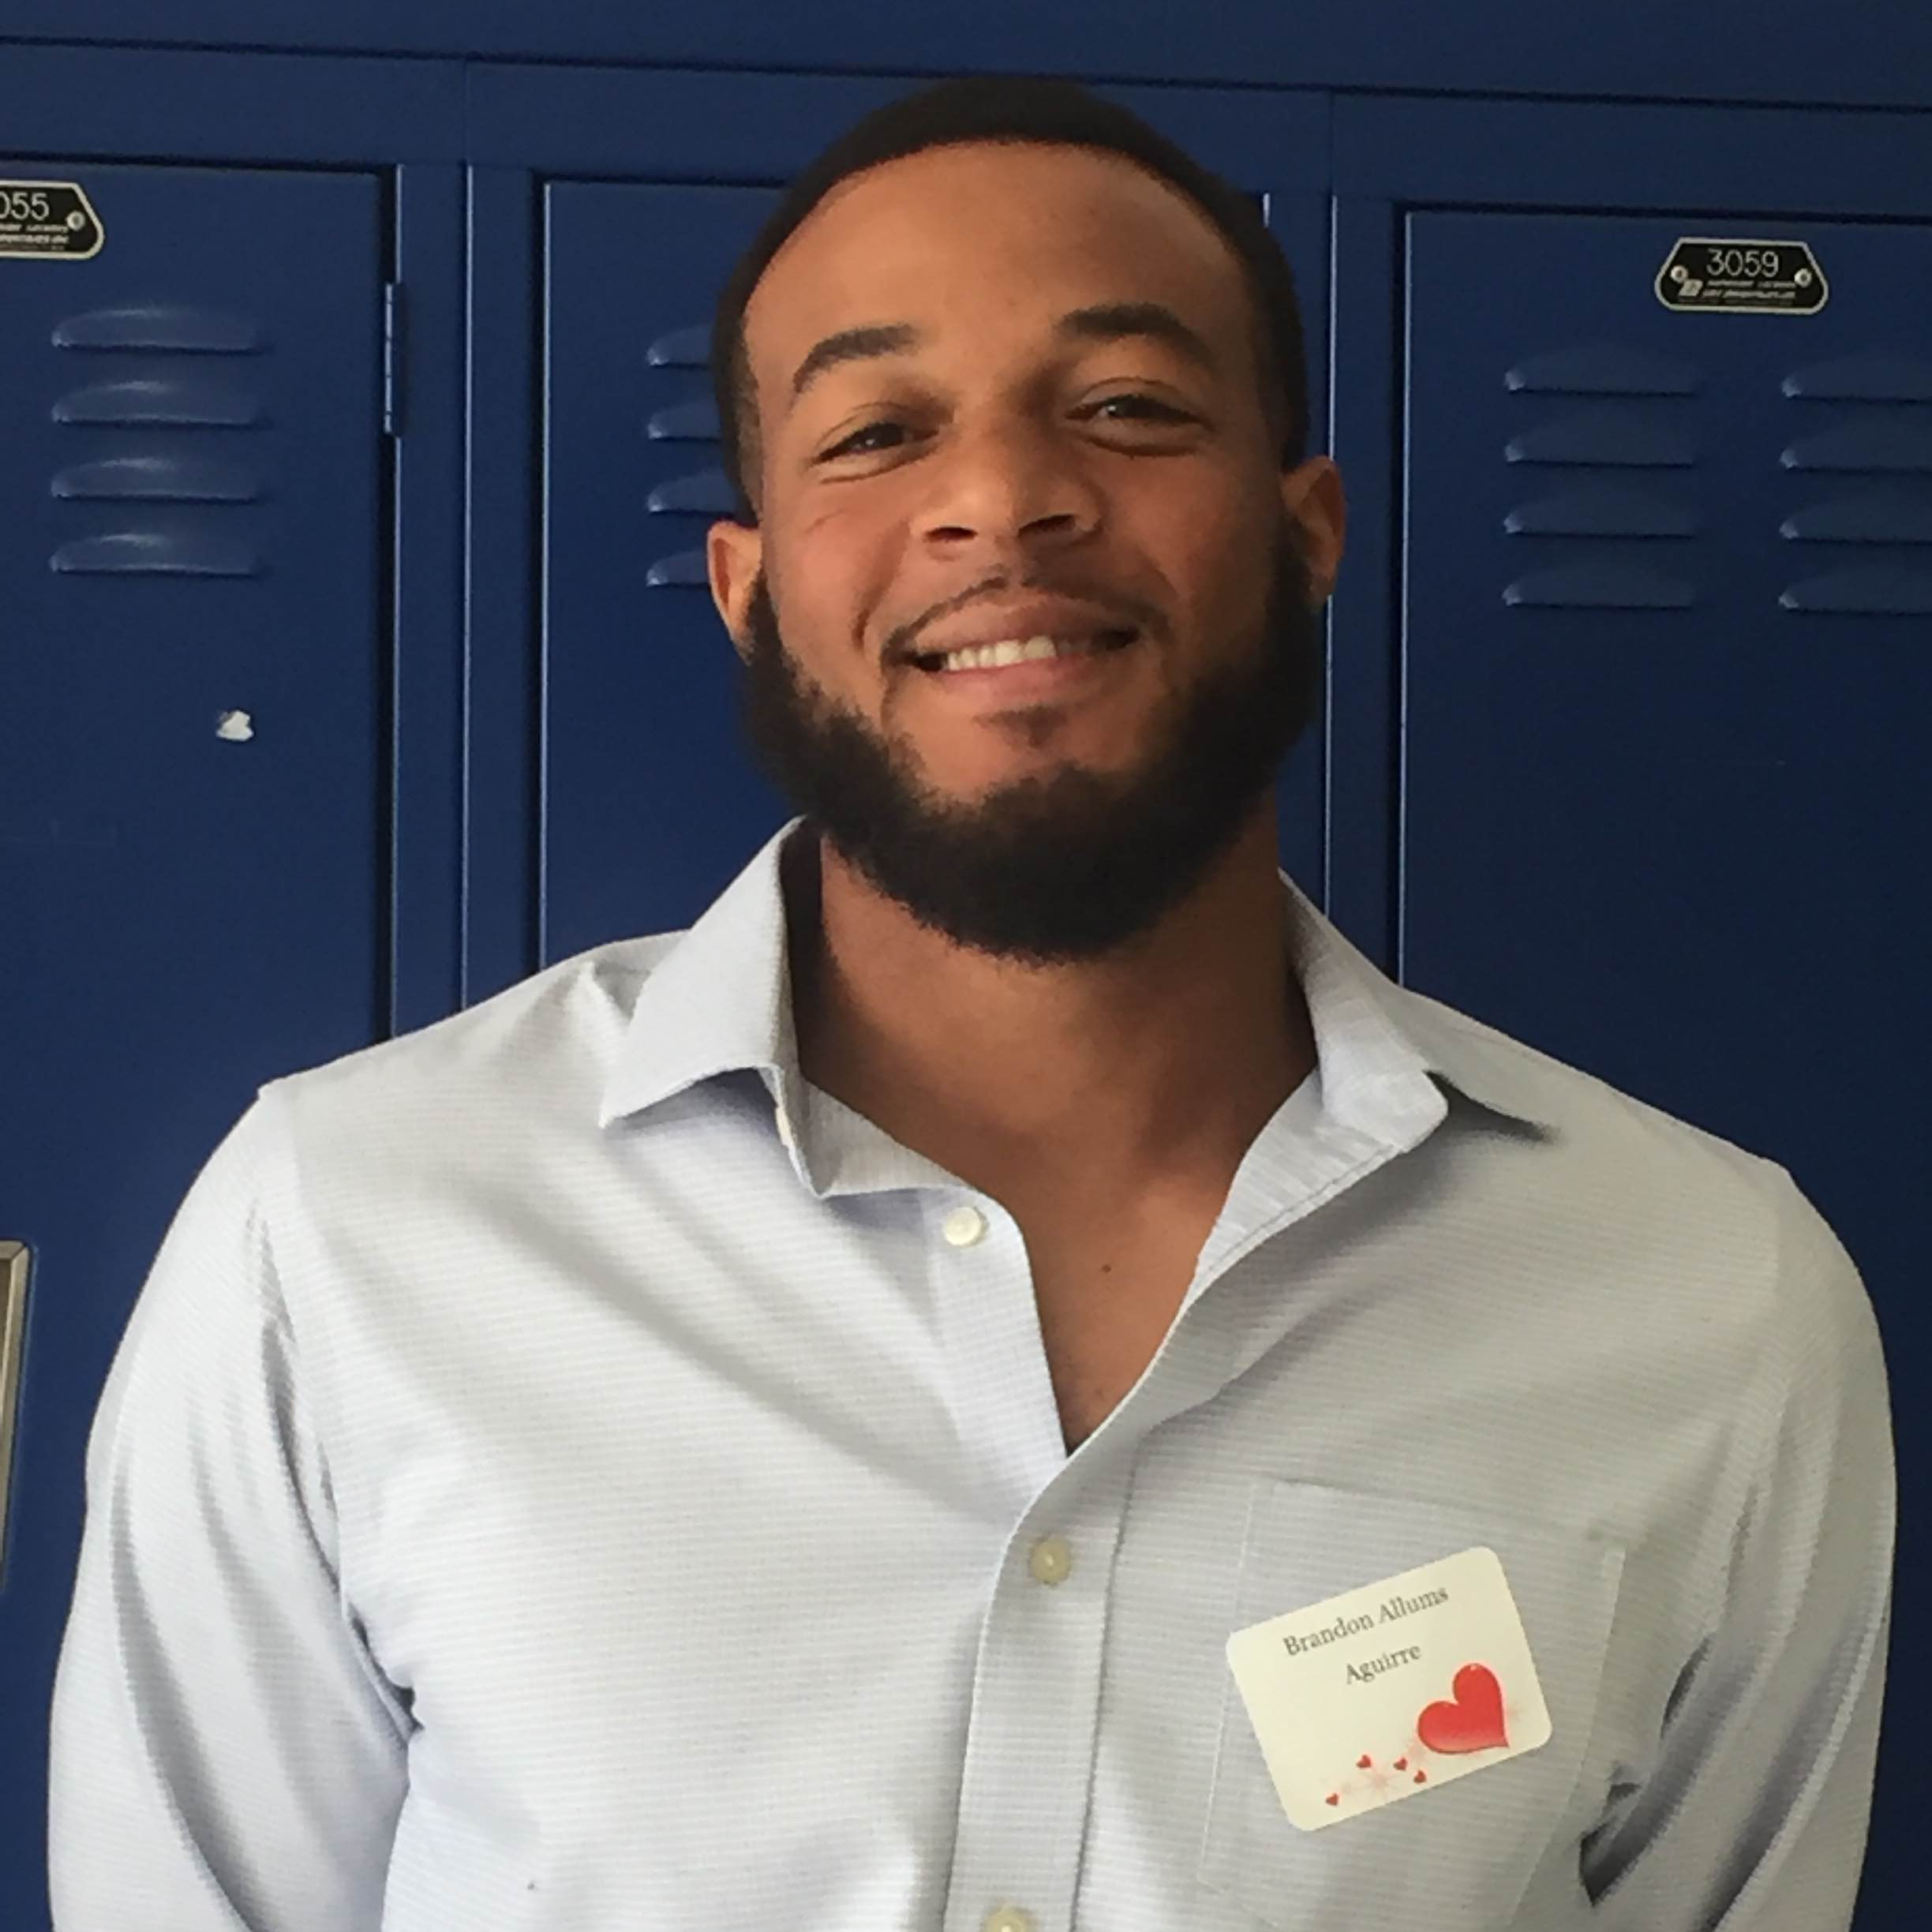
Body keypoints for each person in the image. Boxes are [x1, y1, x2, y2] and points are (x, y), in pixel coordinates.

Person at [48, 73, 1893, 1932]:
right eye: (874, 432)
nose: (1004, 498)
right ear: (748, 588)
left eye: (1130, 409)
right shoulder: (352, 1233)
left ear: (1306, 529)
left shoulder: (1709, 1304)